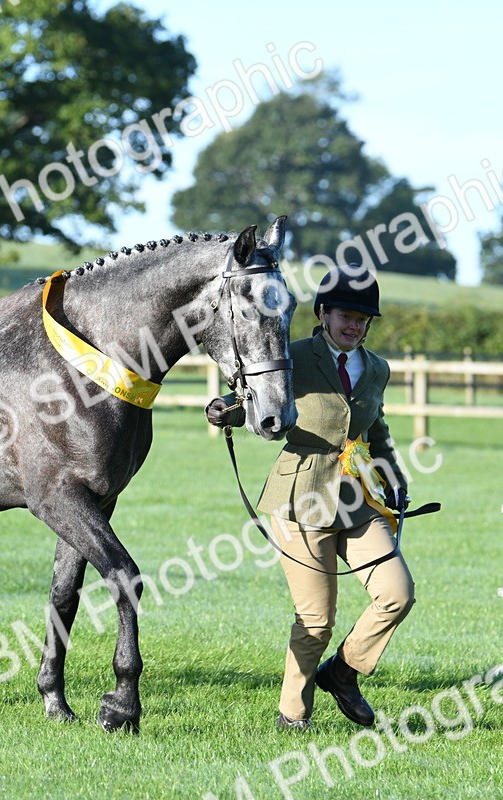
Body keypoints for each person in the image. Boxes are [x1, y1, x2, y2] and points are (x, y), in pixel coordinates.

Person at [206, 264, 415, 731]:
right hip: (300, 498)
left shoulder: (377, 368)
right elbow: (257, 399)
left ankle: (342, 673)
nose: (354, 325)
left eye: (363, 319)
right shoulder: (293, 356)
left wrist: (395, 476)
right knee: (316, 622)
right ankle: (293, 714)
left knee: (397, 594)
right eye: (345, 315)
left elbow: (375, 428)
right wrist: (228, 411)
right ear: (323, 313)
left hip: (359, 498)